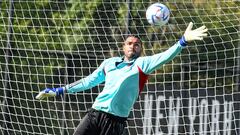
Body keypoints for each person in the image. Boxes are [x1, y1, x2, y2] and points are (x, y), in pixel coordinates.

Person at [36, 22, 208, 135]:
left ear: (141, 49)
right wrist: (60, 90)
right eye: (129, 43)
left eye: (137, 44)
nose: (133, 45)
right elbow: (88, 81)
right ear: (123, 47)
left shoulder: (143, 64)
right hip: (94, 114)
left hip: (115, 122)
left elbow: (165, 56)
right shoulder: (110, 63)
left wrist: (183, 41)